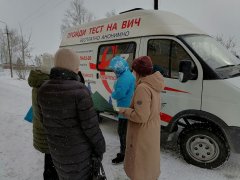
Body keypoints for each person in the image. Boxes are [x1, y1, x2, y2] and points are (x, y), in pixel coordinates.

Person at [38, 48, 106, 180]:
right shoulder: (80, 91)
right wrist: (100, 148)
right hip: (79, 156)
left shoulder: (43, 89)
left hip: (57, 153)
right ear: (73, 67)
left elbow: (44, 122)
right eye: (77, 65)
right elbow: (91, 128)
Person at [119, 56, 165, 180]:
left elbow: (141, 116)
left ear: (137, 71)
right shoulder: (154, 84)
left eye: (133, 70)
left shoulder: (143, 88)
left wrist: (124, 110)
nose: (132, 73)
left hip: (142, 133)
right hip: (151, 130)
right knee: (148, 164)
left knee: (139, 168)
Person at [28, 54, 59, 180]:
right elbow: (50, 115)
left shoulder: (38, 82)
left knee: (49, 162)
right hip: (47, 133)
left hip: (41, 130)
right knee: (52, 165)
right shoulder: (46, 85)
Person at [109, 56, 135, 164]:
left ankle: (124, 154)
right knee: (126, 132)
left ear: (119, 67)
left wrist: (113, 94)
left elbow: (120, 93)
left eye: (114, 69)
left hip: (124, 109)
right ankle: (127, 151)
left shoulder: (124, 78)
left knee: (122, 132)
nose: (113, 71)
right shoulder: (128, 74)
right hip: (128, 106)